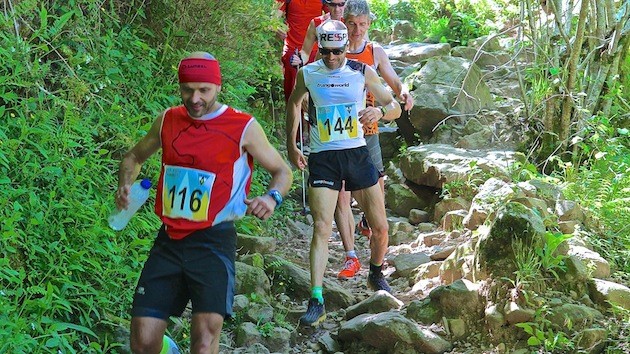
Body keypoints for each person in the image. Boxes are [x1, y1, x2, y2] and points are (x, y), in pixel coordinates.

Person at [115, 51, 292, 353]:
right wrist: (125, 184)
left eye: (204, 90)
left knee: (204, 341)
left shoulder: (243, 127)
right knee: (143, 341)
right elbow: (133, 157)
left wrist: (271, 197)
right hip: (169, 240)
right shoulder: (168, 120)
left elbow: (282, 171)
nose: (195, 98)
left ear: (218, 87)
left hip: (214, 242)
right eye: (188, 89)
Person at [286, 20, 401, 326]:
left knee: (380, 228)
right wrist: (291, 145)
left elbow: (395, 106)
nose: (331, 57)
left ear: (346, 47)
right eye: (325, 51)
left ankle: (375, 274)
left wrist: (379, 111)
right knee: (322, 227)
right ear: (319, 48)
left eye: (337, 51)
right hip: (323, 156)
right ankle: (316, 297)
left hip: (356, 154)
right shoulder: (308, 73)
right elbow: (294, 103)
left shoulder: (362, 72)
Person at [333, 0, 415, 280]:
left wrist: (404, 92)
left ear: (369, 25)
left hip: (368, 132)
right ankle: (350, 256)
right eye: (352, 24)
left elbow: (392, 81)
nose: (357, 30)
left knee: (376, 189)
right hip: (338, 134)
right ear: (344, 23)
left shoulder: (374, 52)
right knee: (342, 195)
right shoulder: (332, 49)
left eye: (363, 24)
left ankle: (369, 226)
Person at [274, 0, 328, 102]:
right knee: (292, 96)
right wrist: (277, 29)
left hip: (315, 51)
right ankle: (293, 117)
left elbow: (335, 13)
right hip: (292, 50)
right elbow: (273, 20)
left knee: (316, 95)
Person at [289, 0, 347, 68]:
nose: (337, 9)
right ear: (327, 4)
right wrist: (299, 59)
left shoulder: (352, 23)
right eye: (333, 5)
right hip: (322, 70)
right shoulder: (317, 23)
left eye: (341, 4)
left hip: (346, 70)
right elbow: (305, 52)